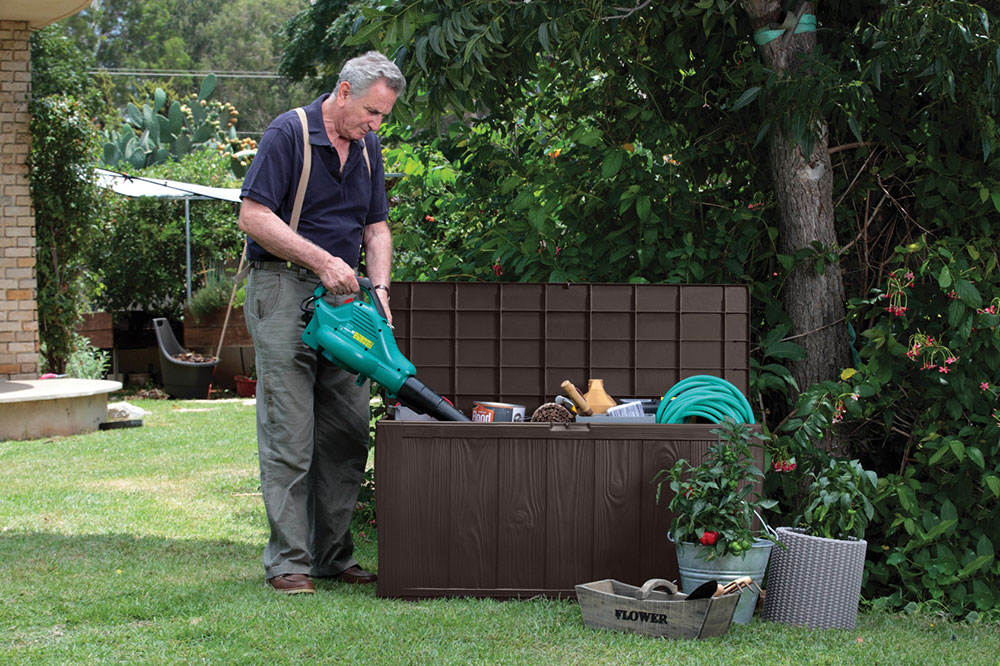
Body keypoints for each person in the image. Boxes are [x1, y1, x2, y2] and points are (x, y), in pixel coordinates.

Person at [237, 51, 406, 595]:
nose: (375, 125)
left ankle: (333, 555)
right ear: (342, 91)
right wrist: (323, 261)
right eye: (371, 112)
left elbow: (376, 229)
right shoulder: (289, 132)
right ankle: (288, 561)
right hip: (284, 288)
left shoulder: (367, 148)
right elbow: (254, 216)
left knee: (349, 429)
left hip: (347, 300)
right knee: (291, 432)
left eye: (383, 116)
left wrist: (378, 287)